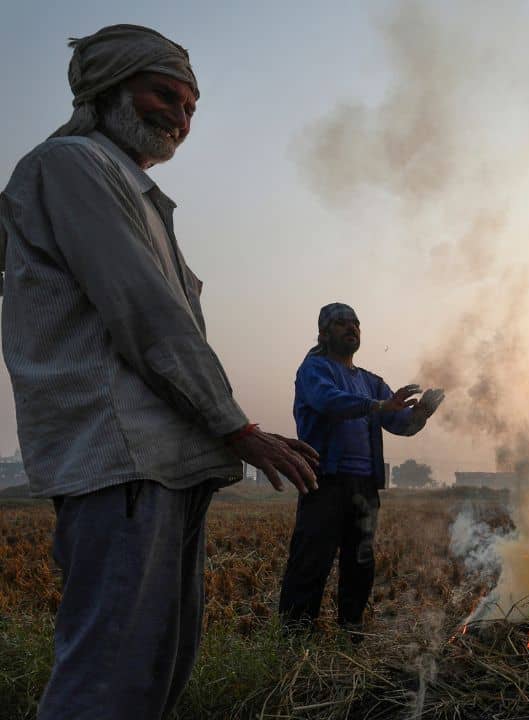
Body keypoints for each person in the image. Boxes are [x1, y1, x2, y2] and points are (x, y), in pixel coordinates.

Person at [0, 25, 319, 720]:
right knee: (109, 682)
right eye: (164, 94)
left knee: (153, 672)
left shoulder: (122, 183)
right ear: (109, 90)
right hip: (120, 459)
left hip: (160, 463)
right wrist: (239, 429)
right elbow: (148, 315)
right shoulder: (72, 165)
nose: (179, 116)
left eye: (191, 107)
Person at [279, 302, 444, 635]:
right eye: (341, 323)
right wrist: (378, 405)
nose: (350, 327)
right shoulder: (315, 370)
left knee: (361, 560)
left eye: (355, 323)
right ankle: (294, 639)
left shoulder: (371, 381)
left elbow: (399, 423)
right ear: (324, 333)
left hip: (364, 485)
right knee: (312, 559)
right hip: (324, 480)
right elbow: (329, 401)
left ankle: (350, 630)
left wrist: (421, 413)